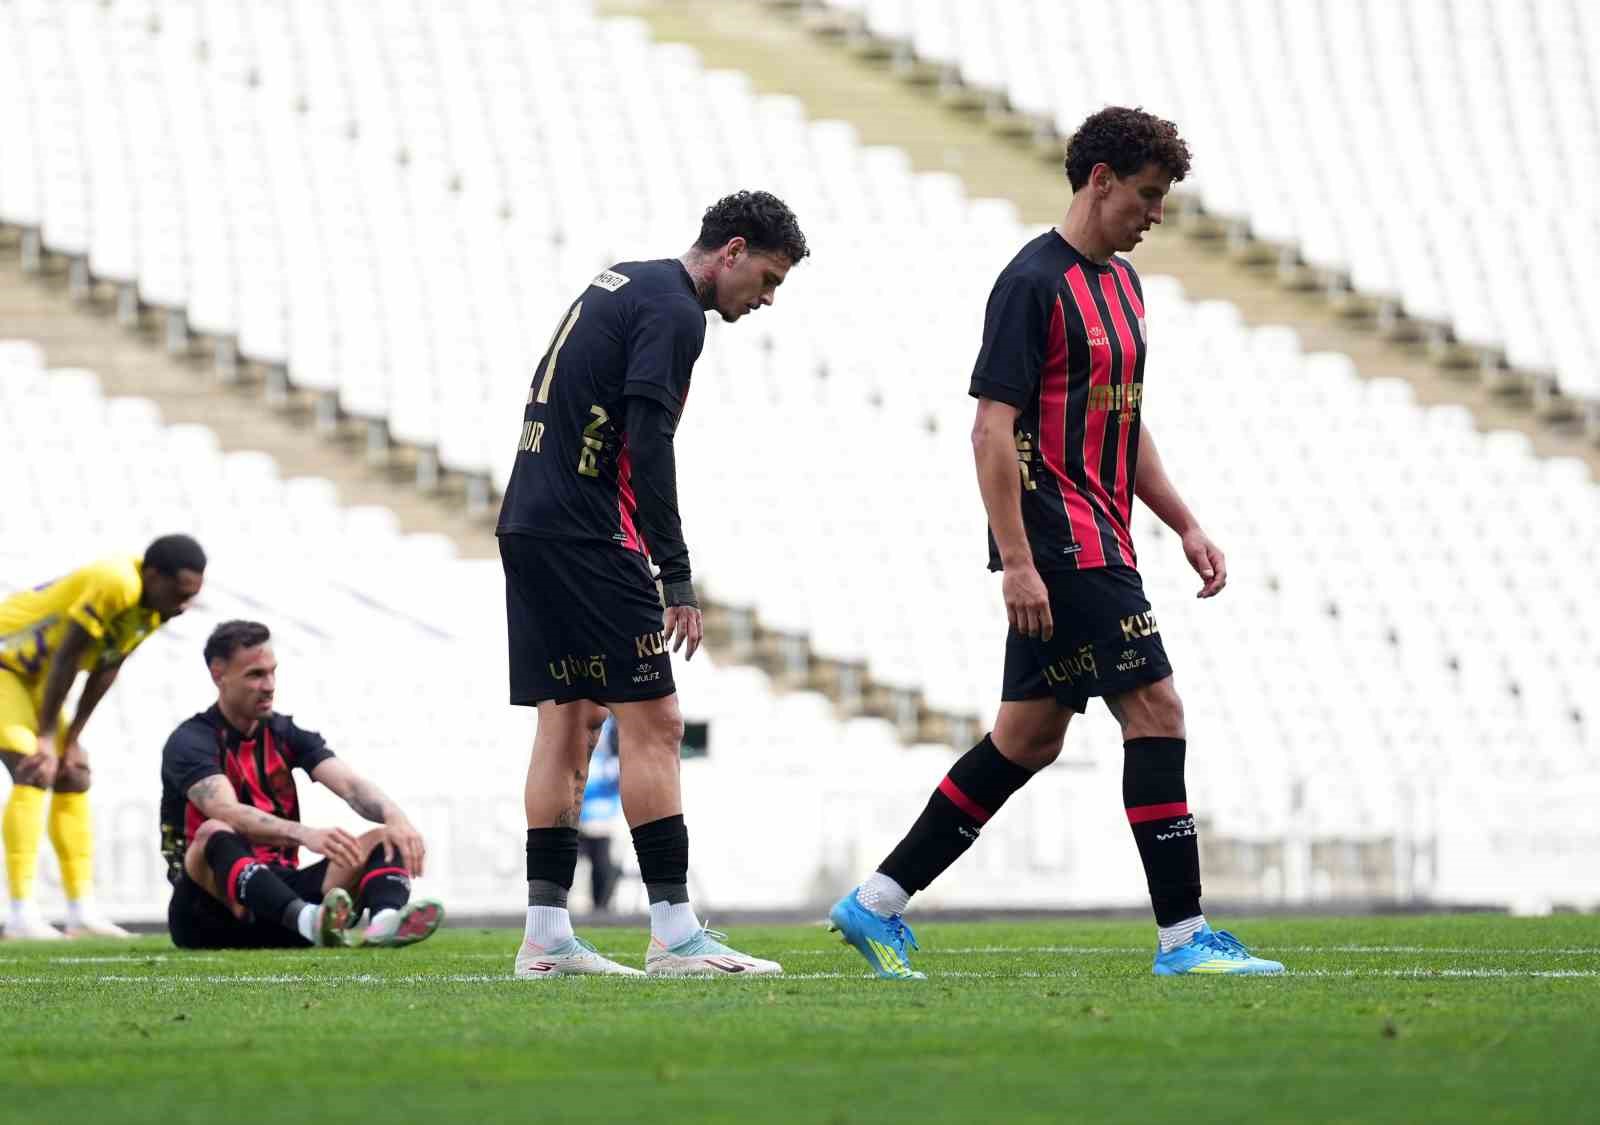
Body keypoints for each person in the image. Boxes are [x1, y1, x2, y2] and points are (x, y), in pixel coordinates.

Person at [828, 107, 1284, 978]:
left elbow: (1124, 422)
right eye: (1146, 196)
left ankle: (876, 900)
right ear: (1100, 179)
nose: (1155, 215)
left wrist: (1183, 521)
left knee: (1027, 739)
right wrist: (1020, 561)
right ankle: (1185, 939)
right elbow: (989, 431)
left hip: (1107, 535)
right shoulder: (1031, 283)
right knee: (1158, 712)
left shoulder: (1125, 287)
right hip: (1062, 546)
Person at [497, 190, 808, 978]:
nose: (765, 299)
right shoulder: (677, 312)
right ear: (731, 251)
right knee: (656, 719)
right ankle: (674, 931)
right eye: (767, 278)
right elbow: (648, 440)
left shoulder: (626, 280)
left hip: (529, 519)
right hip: (587, 530)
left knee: (569, 724)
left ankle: (545, 935)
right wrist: (676, 576)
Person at [160, 620, 442, 949]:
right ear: (218, 674)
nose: (269, 685)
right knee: (214, 830)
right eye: (255, 675)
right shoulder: (191, 741)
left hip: (280, 902)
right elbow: (227, 811)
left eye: (272, 672)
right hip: (210, 910)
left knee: (384, 837)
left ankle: (382, 925)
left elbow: (350, 785)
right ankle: (310, 921)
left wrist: (396, 818)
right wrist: (305, 834)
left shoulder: (286, 733)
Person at [0, 534, 206, 940]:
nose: (183, 606)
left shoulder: (153, 608)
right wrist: (45, 738)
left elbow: (106, 667)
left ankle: (81, 910)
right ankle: (21, 912)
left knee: (74, 774)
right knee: (34, 766)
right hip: (6, 662)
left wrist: (72, 738)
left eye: (191, 597)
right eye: (179, 594)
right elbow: (67, 655)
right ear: (152, 575)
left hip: (31, 679)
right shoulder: (116, 581)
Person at [578, 716, 623, 913]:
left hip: (603, 822)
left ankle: (601, 908)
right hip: (579, 820)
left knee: (603, 866)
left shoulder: (613, 763)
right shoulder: (590, 760)